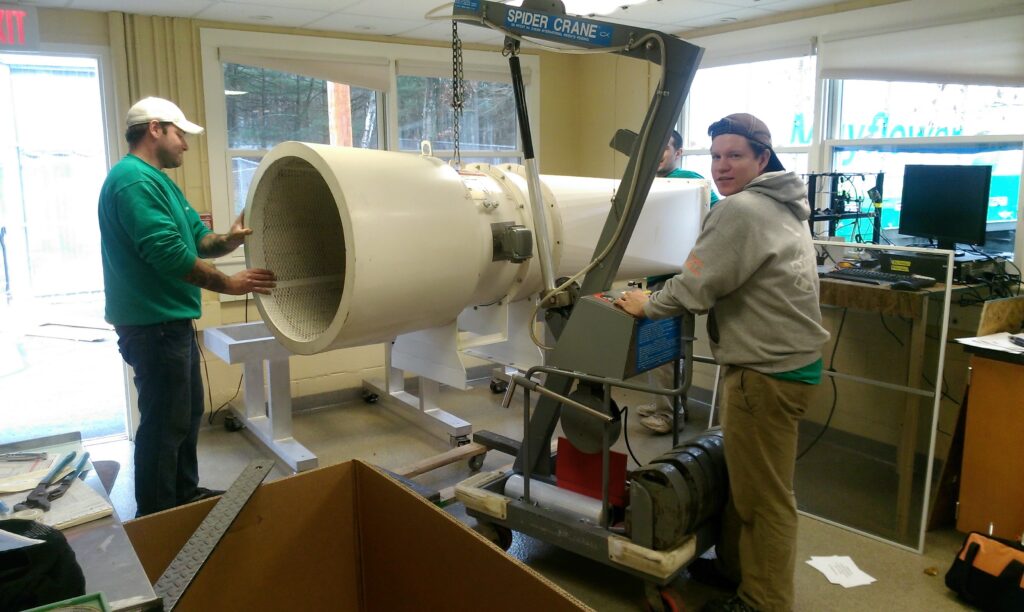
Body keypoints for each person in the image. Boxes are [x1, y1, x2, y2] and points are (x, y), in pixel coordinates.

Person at [616, 113, 830, 612]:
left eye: (734, 155)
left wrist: (645, 303)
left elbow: (695, 284)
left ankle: (764, 602)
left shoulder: (743, 211)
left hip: (766, 371)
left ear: (762, 157)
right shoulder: (785, 205)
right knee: (745, 481)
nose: (721, 166)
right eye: (714, 156)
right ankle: (736, 570)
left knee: (765, 497)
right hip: (784, 364)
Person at [98, 97, 276, 517]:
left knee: (185, 413)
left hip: (169, 323)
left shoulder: (159, 182)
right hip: (153, 325)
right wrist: (230, 285)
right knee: (163, 424)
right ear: (155, 129)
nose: (186, 145)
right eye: (181, 135)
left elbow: (197, 239)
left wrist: (229, 240)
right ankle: (159, 516)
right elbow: (168, 254)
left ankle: (183, 494)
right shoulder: (133, 181)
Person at [636, 129, 719, 434]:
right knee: (670, 348)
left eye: (665, 148)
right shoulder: (658, 183)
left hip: (674, 280)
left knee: (663, 348)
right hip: (663, 275)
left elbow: (717, 212)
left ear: (679, 152)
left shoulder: (685, 178)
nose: (658, 154)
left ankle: (669, 414)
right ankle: (669, 404)